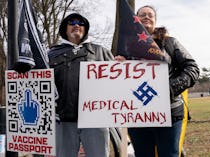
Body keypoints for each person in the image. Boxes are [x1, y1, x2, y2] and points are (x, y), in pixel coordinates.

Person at [115, 5, 200, 157]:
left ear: (155, 21)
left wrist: (170, 89)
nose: (146, 17)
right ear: (136, 19)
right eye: (142, 15)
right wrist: (117, 67)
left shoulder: (170, 43)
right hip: (137, 116)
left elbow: (192, 69)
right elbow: (116, 81)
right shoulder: (126, 47)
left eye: (150, 15)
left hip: (170, 113)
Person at [48, 13, 113, 157]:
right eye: (72, 22)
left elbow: (118, 80)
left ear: (85, 29)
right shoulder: (51, 54)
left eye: (80, 23)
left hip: (96, 119)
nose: (76, 25)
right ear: (65, 29)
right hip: (63, 119)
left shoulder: (100, 51)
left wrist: (122, 63)